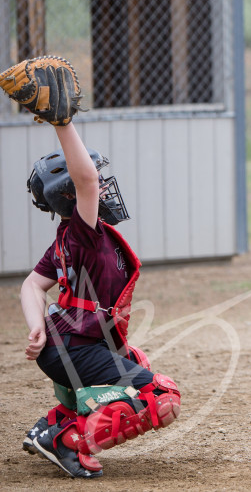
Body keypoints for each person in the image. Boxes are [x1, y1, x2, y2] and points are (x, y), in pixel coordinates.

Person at [15, 104, 181, 477]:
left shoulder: (71, 239)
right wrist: (63, 123)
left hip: (67, 345)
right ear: (70, 195)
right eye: (96, 180)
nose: (103, 184)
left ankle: (55, 421)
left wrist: (36, 326)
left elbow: (31, 284)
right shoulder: (80, 233)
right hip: (73, 349)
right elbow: (86, 181)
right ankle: (68, 439)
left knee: (137, 362)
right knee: (163, 397)